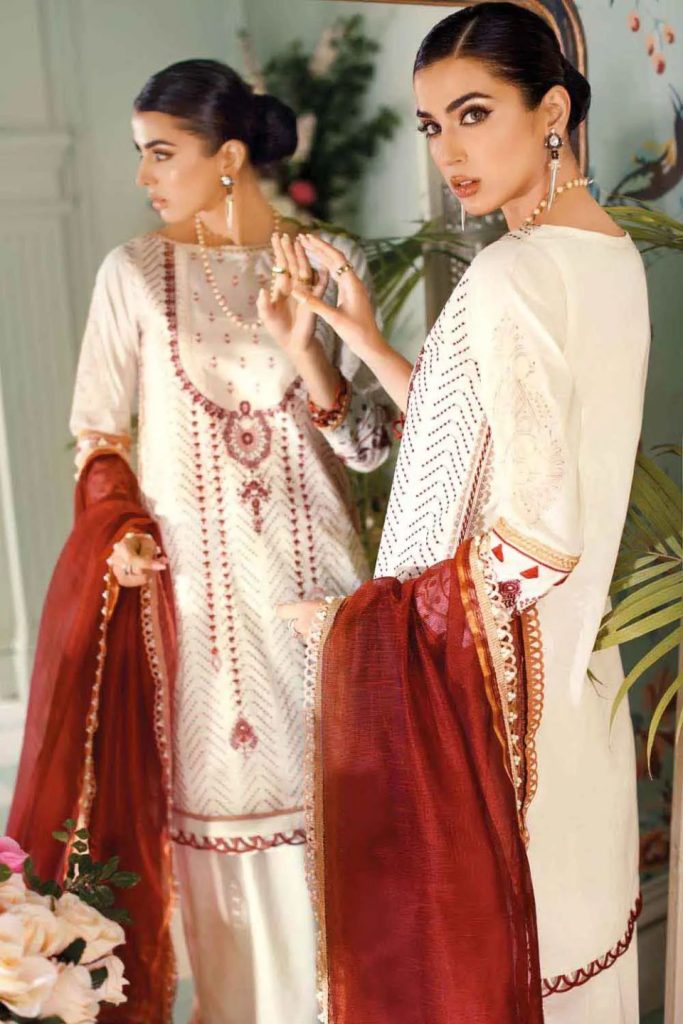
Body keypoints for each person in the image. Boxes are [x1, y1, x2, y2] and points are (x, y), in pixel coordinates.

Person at [280, 5, 650, 1023]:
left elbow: (535, 538)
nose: (448, 151)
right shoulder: (603, 255)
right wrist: (358, 339)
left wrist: (356, 624)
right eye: (431, 124)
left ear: (551, 110)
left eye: (474, 112)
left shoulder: (510, 272)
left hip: (489, 730)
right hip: (570, 697)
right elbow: (493, 442)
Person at [7, 59, 392, 1024]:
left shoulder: (330, 260)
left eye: (160, 153)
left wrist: (312, 353)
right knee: (223, 844)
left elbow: (368, 443)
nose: (143, 175)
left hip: (317, 596)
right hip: (201, 615)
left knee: (340, 834)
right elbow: (99, 434)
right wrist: (121, 532)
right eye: (140, 154)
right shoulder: (133, 274)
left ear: (226, 156)